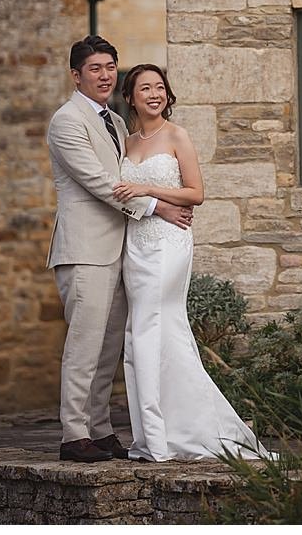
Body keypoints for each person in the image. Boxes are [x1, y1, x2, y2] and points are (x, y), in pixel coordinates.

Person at [45, 36, 193, 463]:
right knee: (84, 344)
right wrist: (158, 206)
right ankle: (74, 434)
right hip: (85, 249)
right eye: (95, 68)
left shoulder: (113, 120)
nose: (105, 75)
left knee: (109, 344)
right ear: (76, 75)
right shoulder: (67, 121)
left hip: (121, 248)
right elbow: (99, 182)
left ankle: (100, 427)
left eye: (110, 66)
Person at [112, 63, 270, 461]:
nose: (154, 94)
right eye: (144, 88)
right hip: (137, 243)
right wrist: (149, 204)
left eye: (160, 87)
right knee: (142, 333)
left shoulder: (177, 135)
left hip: (169, 244)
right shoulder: (126, 143)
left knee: (152, 326)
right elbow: (120, 197)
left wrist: (148, 188)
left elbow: (195, 193)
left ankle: (161, 436)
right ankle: (155, 432)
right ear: (130, 96)